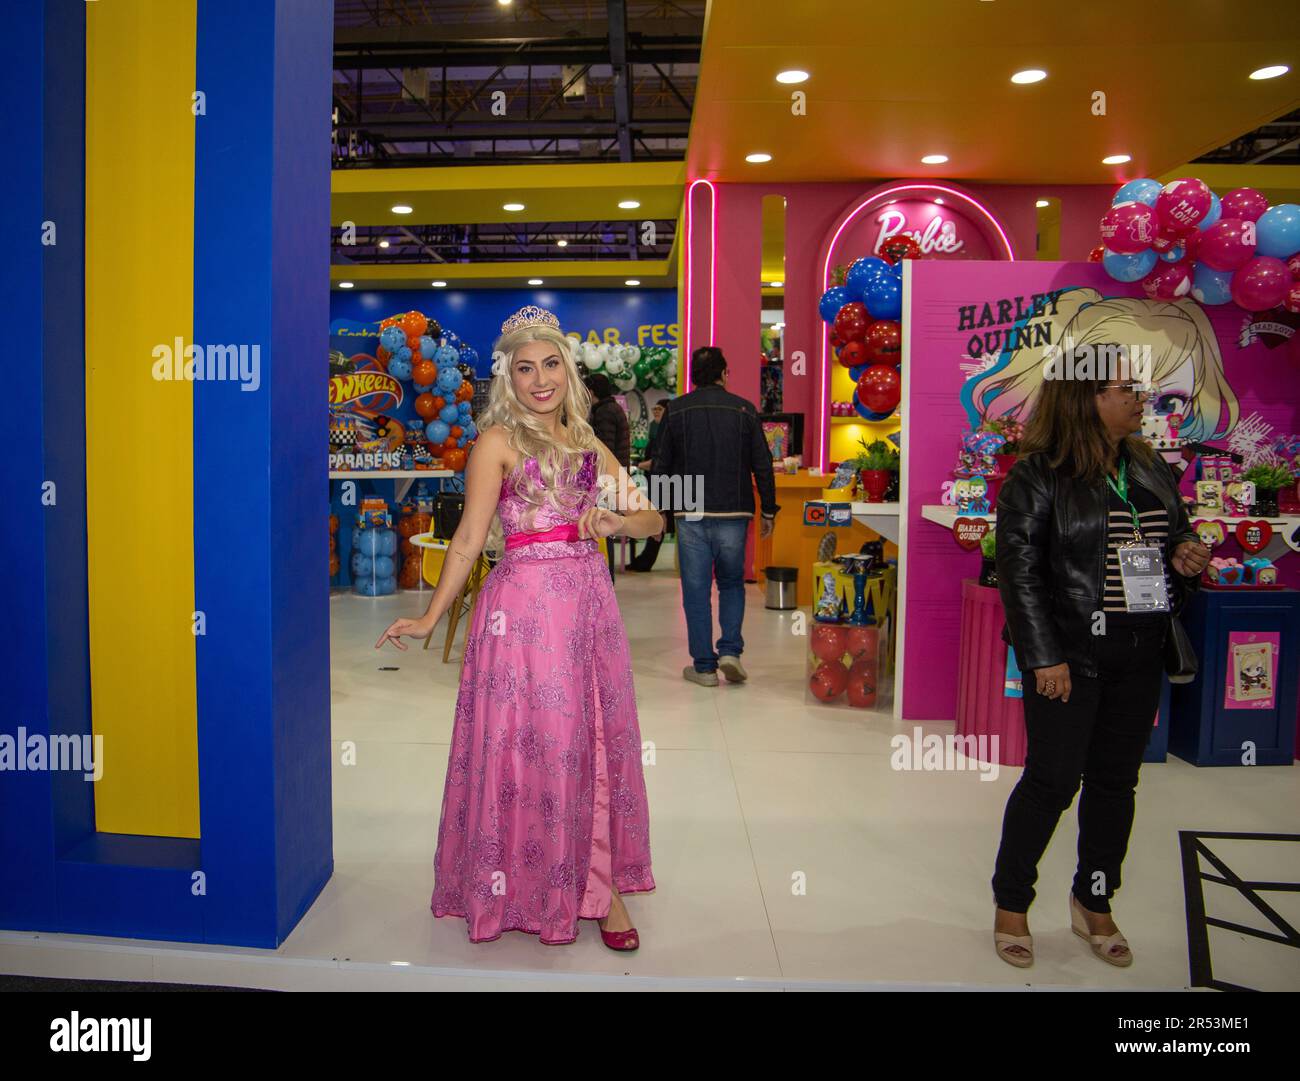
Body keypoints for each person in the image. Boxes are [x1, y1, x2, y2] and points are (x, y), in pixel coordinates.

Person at [376, 305, 663, 950]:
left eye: (551, 364)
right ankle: (519, 881)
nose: (540, 380)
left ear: (568, 367)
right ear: (509, 376)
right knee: (528, 744)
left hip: (589, 607)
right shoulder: (496, 443)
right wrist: (429, 616)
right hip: (522, 615)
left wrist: (620, 524)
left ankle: (600, 886)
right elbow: (470, 540)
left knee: (587, 738)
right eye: (525, 368)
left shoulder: (588, 444)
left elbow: (654, 520)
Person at [990, 361, 1210, 969]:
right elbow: (1020, 574)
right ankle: (1012, 904)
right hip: (1070, 656)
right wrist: (1043, 658)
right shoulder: (1037, 476)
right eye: (1124, 390)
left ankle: (1094, 898)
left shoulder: (1149, 466)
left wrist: (1185, 559)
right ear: (1085, 398)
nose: (1140, 399)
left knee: (1116, 783)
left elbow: (1172, 540)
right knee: (1052, 782)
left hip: (1141, 651)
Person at [651, 345, 780, 686]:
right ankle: (730, 652)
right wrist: (769, 508)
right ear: (724, 374)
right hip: (734, 504)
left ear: (692, 377)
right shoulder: (745, 410)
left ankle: (704, 667)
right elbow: (762, 465)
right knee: (731, 583)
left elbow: (662, 464)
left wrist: (659, 514)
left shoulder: (676, 410)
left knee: (695, 588)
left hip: (689, 505)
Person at [585, 372, 630, 577]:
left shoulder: (604, 413)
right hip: (614, 480)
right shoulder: (614, 409)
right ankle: (606, 574)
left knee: (604, 528)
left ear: (591, 391)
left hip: (606, 482)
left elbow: (605, 450)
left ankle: (606, 575)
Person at [628, 400, 672, 572]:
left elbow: (658, 461)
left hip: (663, 483)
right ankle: (644, 561)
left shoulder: (665, 433)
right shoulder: (658, 430)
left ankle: (645, 562)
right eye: (654, 408)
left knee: (659, 523)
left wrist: (639, 465)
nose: (655, 412)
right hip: (656, 481)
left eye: (659, 409)